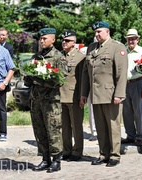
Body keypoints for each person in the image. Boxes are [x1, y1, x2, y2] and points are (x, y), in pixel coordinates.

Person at [80, 21, 128, 167]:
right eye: (95, 32)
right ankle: (103, 153)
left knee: (113, 126)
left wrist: (119, 94)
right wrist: (84, 93)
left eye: (99, 31)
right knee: (100, 127)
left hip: (110, 94)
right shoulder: (91, 48)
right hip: (95, 95)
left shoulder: (117, 47)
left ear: (107, 31)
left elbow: (121, 73)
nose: (97, 34)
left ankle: (114, 155)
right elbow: (85, 74)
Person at [23, 28, 65, 173]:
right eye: (40, 39)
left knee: (53, 130)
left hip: (51, 101)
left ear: (53, 39)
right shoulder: (36, 57)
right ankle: (45, 158)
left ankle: (56, 160)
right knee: (39, 130)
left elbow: (60, 81)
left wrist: (40, 80)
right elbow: (28, 80)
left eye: (45, 38)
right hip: (36, 100)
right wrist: (28, 75)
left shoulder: (58, 57)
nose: (42, 41)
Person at [121, 29, 142, 147]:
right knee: (126, 112)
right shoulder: (123, 51)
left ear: (138, 39)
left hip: (138, 83)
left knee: (139, 112)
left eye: (133, 38)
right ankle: (130, 135)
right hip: (125, 84)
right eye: (129, 38)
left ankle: (140, 136)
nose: (131, 41)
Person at [60, 30, 84, 161]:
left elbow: (82, 79)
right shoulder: (60, 56)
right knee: (64, 126)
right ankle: (66, 150)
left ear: (74, 43)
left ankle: (77, 151)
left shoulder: (80, 57)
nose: (64, 42)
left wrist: (82, 96)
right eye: (63, 40)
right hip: (61, 96)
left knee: (76, 126)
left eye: (67, 40)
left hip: (74, 96)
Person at [0, 28, 14, 119]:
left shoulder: (9, 47)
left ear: (7, 36)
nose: (2, 36)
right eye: (1, 35)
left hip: (4, 75)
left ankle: (0, 113)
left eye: (4, 35)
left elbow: (10, 64)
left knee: (2, 97)